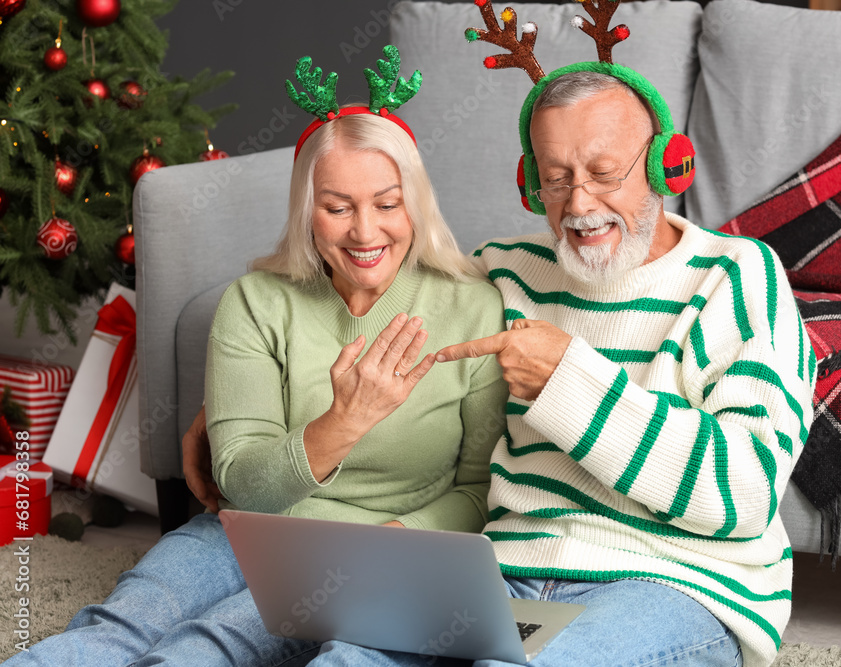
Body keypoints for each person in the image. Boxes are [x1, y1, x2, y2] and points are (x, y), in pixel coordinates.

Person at [185, 67, 816, 667]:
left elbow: (745, 493)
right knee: (349, 653)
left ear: (662, 164)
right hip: (500, 570)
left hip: (670, 583)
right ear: (529, 183)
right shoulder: (502, 272)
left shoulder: (737, 277)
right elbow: (377, 286)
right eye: (557, 177)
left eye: (604, 172)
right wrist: (235, 404)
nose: (580, 203)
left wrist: (567, 382)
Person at [4, 54, 509, 667]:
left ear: (415, 206)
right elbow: (241, 485)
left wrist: (388, 549)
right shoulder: (255, 301)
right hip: (247, 530)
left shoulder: (474, 307)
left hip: (387, 552)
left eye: (387, 203)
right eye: (338, 207)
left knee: (209, 645)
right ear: (306, 211)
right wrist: (343, 423)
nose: (364, 231)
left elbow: (479, 490)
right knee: (121, 625)